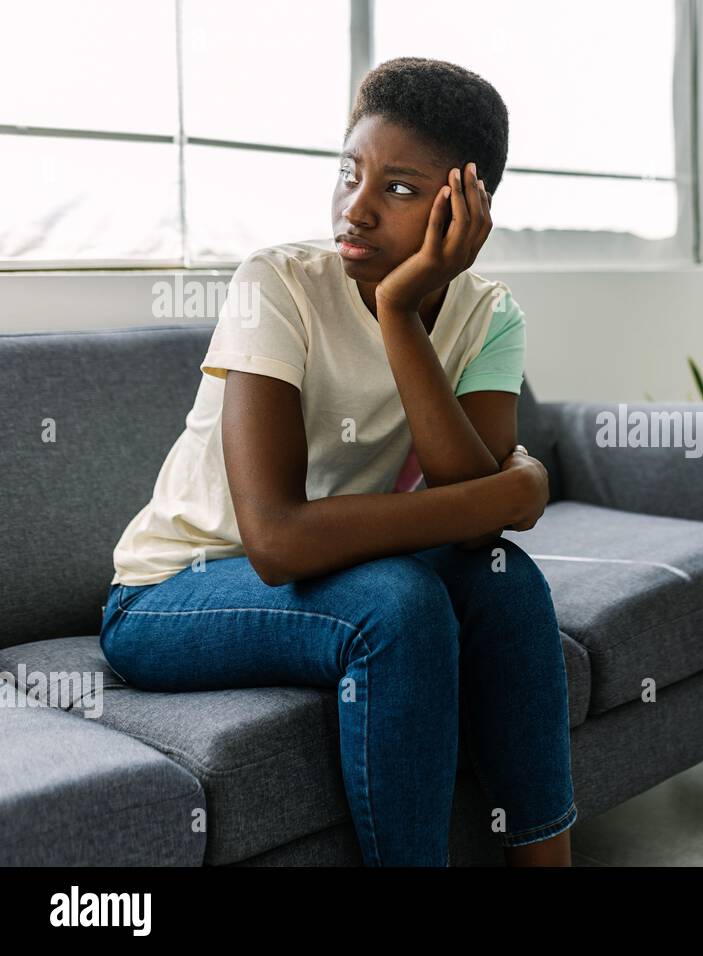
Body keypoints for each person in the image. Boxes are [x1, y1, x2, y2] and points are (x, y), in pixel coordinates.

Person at [98, 57, 575, 867]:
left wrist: (397, 310)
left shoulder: (491, 314)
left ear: (465, 206)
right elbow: (277, 542)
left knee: (506, 581)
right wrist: (514, 488)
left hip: (330, 570)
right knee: (401, 603)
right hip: (171, 596)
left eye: (397, 188)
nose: (354, 209)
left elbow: (469, 527)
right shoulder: (276, 286)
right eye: (349, 173)